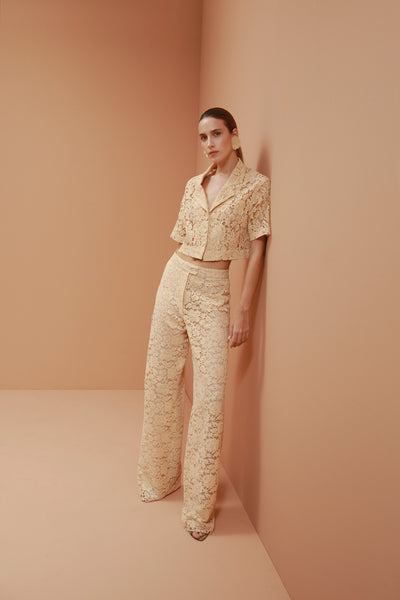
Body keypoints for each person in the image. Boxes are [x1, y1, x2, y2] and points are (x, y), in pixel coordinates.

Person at [137, 107, 271, 542]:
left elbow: (257, 248)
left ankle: (198, 507)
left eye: (216, 134)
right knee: (161, 382)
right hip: (174, 278)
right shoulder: (193, 185)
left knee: (209, 399)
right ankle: (160, 477)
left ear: (234, 135)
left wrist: (243, 309)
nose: (209, 143)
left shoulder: (255, 187)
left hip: (214, 291)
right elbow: (184, 240)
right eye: (202, 137)